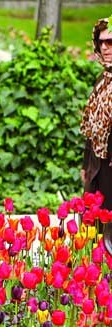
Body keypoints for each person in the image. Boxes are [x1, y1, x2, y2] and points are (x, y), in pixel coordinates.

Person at [80, 18, 112, 211]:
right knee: (93, 225)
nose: (105, 48)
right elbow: (91, 126)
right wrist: (86, 164)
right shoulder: (102, 80)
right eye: (101, 42)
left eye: (111, 42)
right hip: (97, 165)